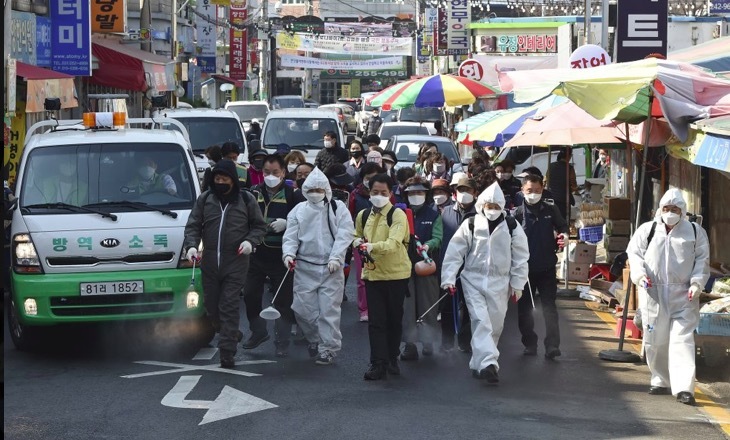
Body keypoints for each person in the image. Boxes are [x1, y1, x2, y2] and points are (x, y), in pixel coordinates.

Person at [626, 188, 710, 406]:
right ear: (659, 210)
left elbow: (702, 260)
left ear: (682, 211)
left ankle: (684, 388)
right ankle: (660, 379)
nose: (670, 213)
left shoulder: (694, 231)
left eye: (675, 209)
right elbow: (634, 254)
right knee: (655, 340)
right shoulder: (648, 230)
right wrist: (639, 276)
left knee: (682, 340)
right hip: (653, 292)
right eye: (666, 208)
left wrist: (696, 283)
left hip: (683, 294)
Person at [441, 182, 529, 383]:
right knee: (481, 321)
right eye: (489, 206)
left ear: (502, 206)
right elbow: (455, 251)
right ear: (481, 204)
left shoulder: (511, 225)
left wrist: (518, 283)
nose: (492, 210)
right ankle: (490, 363)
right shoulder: (471, 224)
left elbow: (521, 256)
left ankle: (478, 362)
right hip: (473, 279)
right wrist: (448, 278)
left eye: (496, 206)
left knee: (495, 325)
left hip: (501, 283)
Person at [183, 159, 268, 368]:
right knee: (211, 308)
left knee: (228, 306)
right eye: (217, 179)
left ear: (233, 180)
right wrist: (192, 246)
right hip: (210, 261)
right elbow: (193, 225)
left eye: (225, 179)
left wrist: (250, 242)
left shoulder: (245, 200)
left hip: (236, 261)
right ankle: (232, 333)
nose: (221, 182)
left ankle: (227, 353)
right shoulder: (205, 199)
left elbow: (259, 226)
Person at [282, 168, 355, 365]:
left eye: (319, 188)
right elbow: (290, 236)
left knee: (329, 311)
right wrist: (288, 255)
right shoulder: (298, 211)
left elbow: (346, 234)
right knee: (302, 309)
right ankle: (315, 338)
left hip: (331, 269)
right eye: (311, 188)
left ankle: (328, 348)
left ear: (326, 189)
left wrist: (336, 257)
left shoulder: (338, 208)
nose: (315, 192)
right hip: (305, 267)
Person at [353, 173, 412, 380]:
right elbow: (355, 234)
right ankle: (377, 362)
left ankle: (392, 357)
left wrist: (371, 246)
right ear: (369, 192)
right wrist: (357, 242)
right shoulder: (363, 215)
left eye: (383, 192)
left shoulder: (397, 215)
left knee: (394, 320)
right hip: (373, 274)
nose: (379, 196)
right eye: (375, 192)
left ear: (390, 193)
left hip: (396, 275)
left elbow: (394, 243)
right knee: (376, 321)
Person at [243, 154, 301, 358]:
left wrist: (287, 222)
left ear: (284, 173)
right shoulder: (252, 193)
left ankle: (282, 341)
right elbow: (245, 219)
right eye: (266, 172)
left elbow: (303, 220)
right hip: (256, 253)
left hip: (281, 255)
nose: (270, 176)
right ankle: (258, 331)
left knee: (283, 301)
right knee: (250, 294)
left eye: (275, 172)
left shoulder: (293, 195)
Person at [513, 174, 569, 359]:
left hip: (547, 268)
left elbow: (563, 227)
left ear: (542, 190)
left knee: (549, 308)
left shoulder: (551, 209)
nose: (533, 194)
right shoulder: (516, 215)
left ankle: (552, 346)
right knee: (525, 310)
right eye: (529, 191)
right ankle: (529, 343)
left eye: (537, 190)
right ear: (522, 191)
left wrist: (564, 236)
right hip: (524, 271)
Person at [400, 177, 443, 361]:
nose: (416, 196)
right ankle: (409, 345)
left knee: (428, 305)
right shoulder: (400, 214)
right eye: (412, 193)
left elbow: (438, 237)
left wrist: (428, 245)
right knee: (407, 307)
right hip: (404, 266)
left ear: (426, 194)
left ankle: (428, 342)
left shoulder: (434, 215)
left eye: (420, 192)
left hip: (426, 266)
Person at [439, 176, 479, 353]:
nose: (464, 194)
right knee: (447, 306)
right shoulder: (446, 211)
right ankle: (446, 342)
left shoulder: (480, 213)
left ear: (475, 193)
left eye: (468, 191)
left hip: (471, 267)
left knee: (469, 307)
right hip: (449, 267)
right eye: (461, 190)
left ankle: (465, 342)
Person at [348, 162, 385, 322]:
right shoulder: (355, 195)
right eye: (368, 178)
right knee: (363, 278)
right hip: (361, 241)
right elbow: (348, 218)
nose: (371, 181)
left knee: (382, 276)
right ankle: (364, 309)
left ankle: (380, 307)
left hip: (382, 242)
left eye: (374, 177)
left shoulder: (386, 196)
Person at [545, 149, 578, 222]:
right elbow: (573, 185)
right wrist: (575, 189)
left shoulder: (551, 166)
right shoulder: (569, 168)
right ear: (568, 157)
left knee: (553, 220)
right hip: (564, 200)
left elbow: (545, 181)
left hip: (551, 198)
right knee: (563, 221)